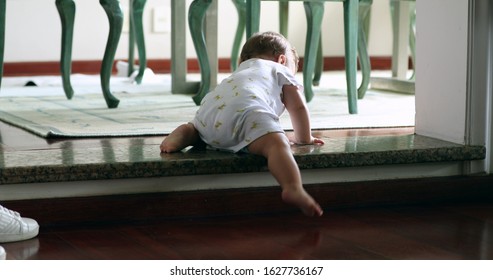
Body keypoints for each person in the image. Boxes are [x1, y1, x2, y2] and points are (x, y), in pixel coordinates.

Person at [161, 31, 324, 217]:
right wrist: (304, 138)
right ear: (281, 60)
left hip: (209, 114)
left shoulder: (239, 72)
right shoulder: (280, 70)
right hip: (248, 113)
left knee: (198, 127)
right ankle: (292, 187)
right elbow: (298, 108)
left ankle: (187, 132)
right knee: (277, 145)